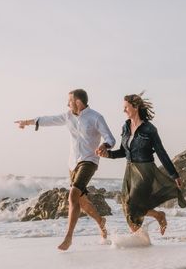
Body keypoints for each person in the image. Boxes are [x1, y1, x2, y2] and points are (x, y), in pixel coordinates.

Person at [15, 89, 116, 251]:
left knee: (73, 195)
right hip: (72, 164)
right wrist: (27, 122)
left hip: (89, 161)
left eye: (69, 101)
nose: (67, 104)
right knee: (81, 200)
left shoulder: (96, 117)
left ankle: (68, 237)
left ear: (78, 102)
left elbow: (110, 138)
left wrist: (104, 145)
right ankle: (100, 222)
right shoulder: (68, 116)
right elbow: (50, 120)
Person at [96, 93, 186, 234]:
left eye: (126, 107)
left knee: (133, 206)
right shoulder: (126, 126)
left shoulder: (149, 129)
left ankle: (156, 218)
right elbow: (123, 151)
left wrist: (174, 175)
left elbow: (161, 153)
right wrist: (107, 154)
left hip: (145, 170)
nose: (124, 110)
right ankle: (140, 239)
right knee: (127, 206)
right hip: (130, 171)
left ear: (136, 107)